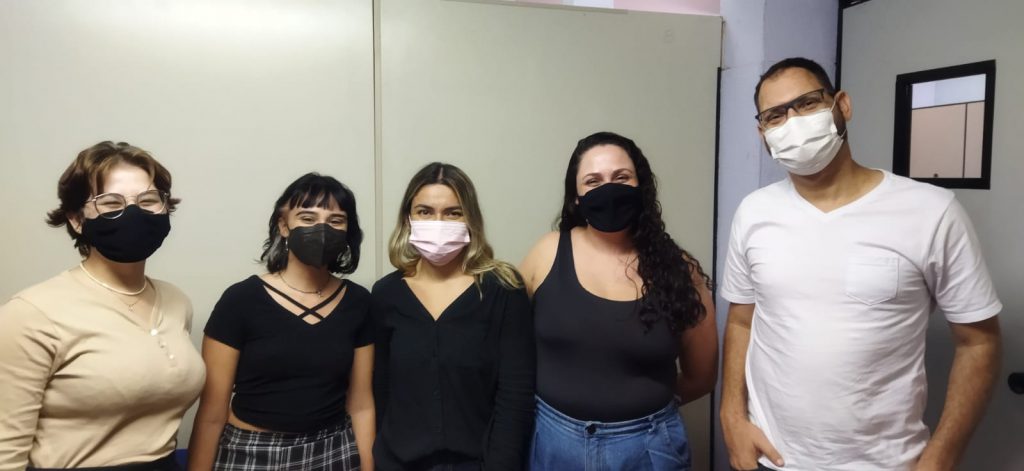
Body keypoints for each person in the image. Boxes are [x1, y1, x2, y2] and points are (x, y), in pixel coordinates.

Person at [719, 57, 1003, 471]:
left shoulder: (931, 212)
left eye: (807, 103)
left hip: (885, 463)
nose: (792, 122)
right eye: (775, 115)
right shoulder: (753, 213)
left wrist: (941, 458)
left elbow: (979, 342)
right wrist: (731, 416)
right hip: (772, 457)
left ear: (842, 105)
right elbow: (742, 321)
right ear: (763, 134)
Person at [519, 131, 718, 471]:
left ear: (641, 186)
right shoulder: (546, 253)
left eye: (621, 177)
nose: (608, 190)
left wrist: (638, 417)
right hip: (553, 444)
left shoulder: (680, 270)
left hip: (649, 449)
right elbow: (509, 346)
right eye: (593, 181)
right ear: (576, 198)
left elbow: (701, 376)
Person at [0, 141, 203, 470]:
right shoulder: (30, 313)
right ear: (77, 219)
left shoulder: (176, 301)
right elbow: (5, 450)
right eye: (111, 203)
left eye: (148, 201)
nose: (134, 213)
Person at [188, 173, 374, 471]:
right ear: (284, 226)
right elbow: (211, 413)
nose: (322, 229)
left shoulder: (359, 302)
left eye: (336, 220)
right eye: (307, 218)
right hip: (251, 453)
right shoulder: (241, 300)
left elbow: (361, 405)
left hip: (333, 449)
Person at [371, 162, 535, 471]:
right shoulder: (385, 294)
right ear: (408, 219)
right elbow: (380, 391)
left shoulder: (502, 289)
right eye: (425, 211)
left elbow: (516, 396)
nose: (438, 222)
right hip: (399, 463)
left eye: (453, 213)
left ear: (470, 219)